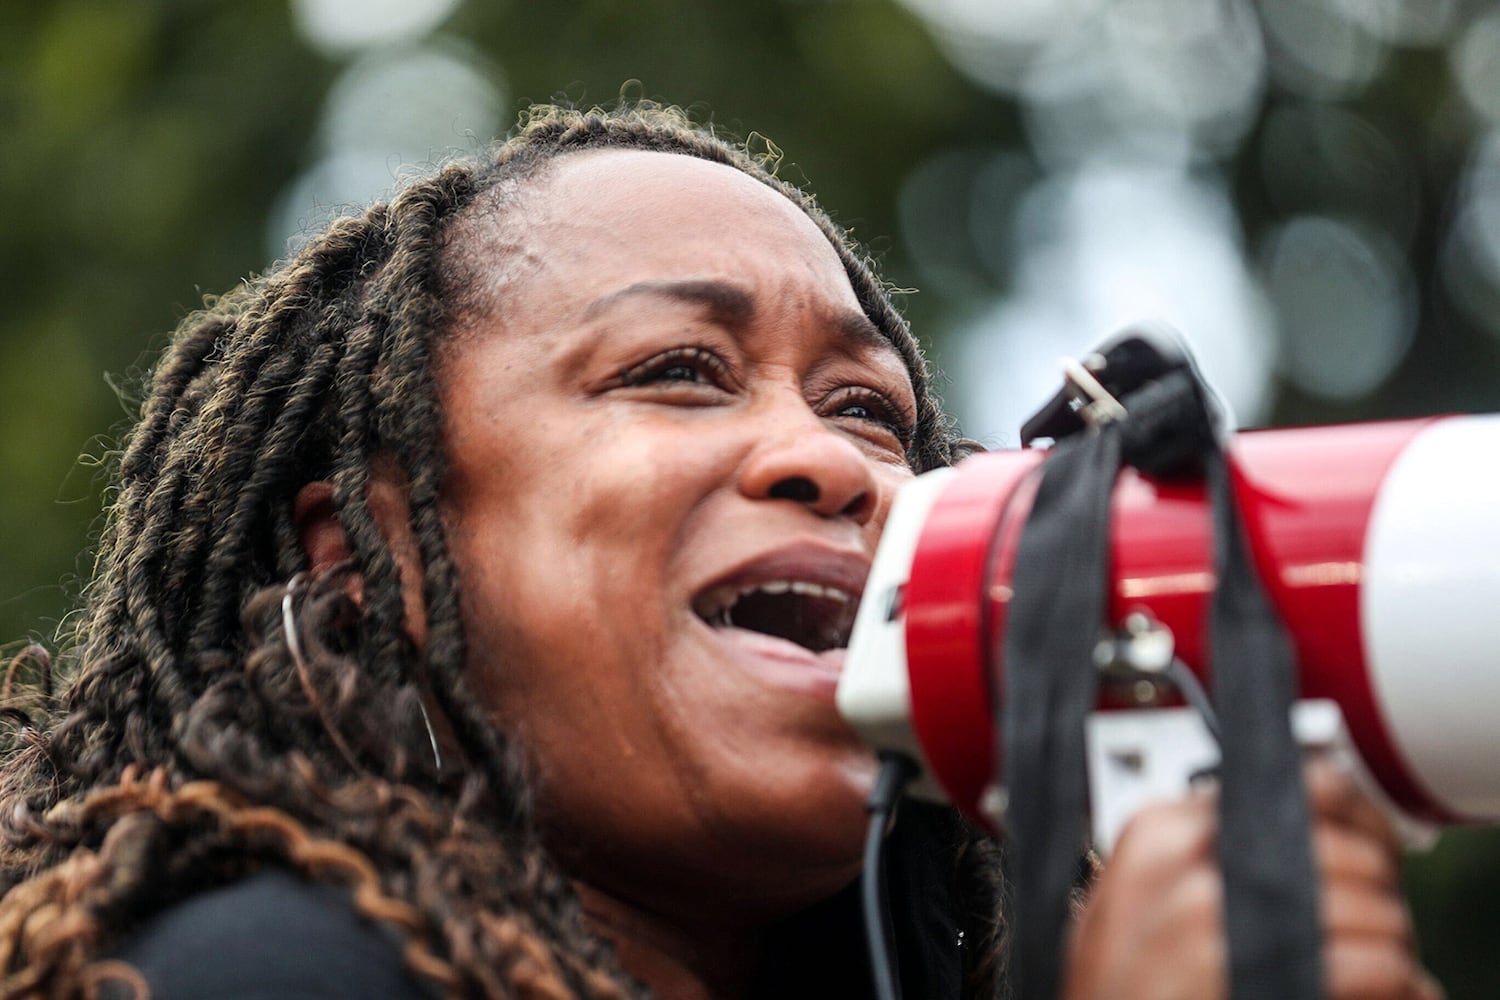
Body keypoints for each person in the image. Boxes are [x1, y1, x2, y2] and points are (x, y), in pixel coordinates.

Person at [0, 103, 1435, 1000]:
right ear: (374, 561)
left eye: (872, 409)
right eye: (679, 369)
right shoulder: (258, 974)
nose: (830, 461)